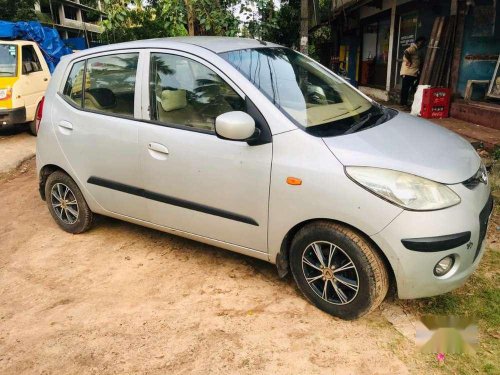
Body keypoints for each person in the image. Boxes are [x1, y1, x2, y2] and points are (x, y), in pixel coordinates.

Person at [400, 36, 426, 107]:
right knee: (405, 88)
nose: (423, 44)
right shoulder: (413, 48)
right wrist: (410, 61)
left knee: (412, 86)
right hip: (408, 72)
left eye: (424, 43)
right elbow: (406, 52)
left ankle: (406, 102)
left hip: (413, 73)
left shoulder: (417, 50)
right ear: (418, 42)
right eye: (422, 43)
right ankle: (403, 103)